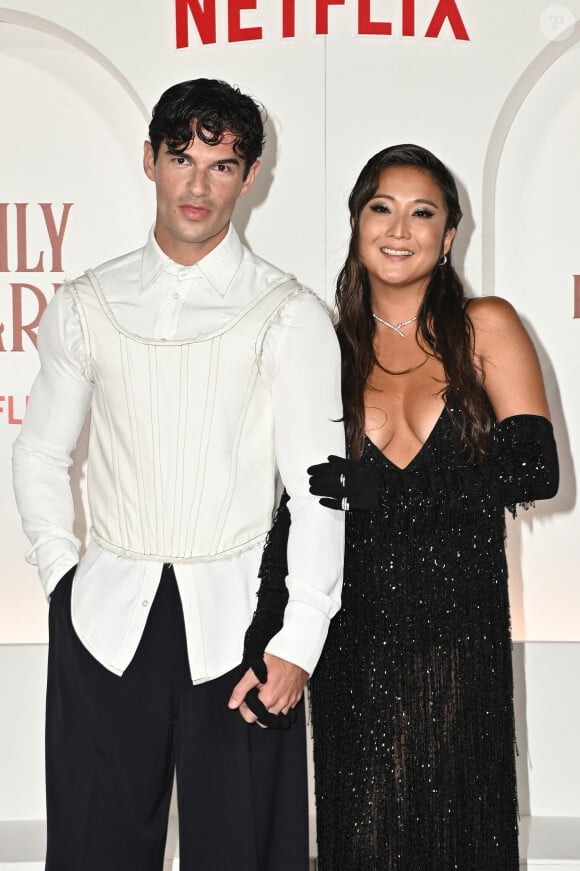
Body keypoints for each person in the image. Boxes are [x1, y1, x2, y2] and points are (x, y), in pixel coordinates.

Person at [12, 78, 344, 871]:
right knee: (93, 852)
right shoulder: (86, 303)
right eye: (181, 159)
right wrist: (63, 578)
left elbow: (319, 488)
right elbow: (38, 453)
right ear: (150, 160)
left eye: (222, 165)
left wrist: (299, 637)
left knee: (244, 855)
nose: (198, 185)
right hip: (102, 625)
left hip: (244, 633)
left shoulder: (289, 312)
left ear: (251, 176)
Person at [252, 144, 559, 870]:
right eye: (381, 208)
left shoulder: (486, 325)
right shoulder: (325, 347)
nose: (400, 228)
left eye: (423, 212)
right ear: (357, 224)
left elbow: (535, 468)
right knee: (362, 842)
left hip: (460, 640)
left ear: (449, 235)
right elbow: (295, 509)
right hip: (356, 641)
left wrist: (395, 490)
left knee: (463, 839)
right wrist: (268, 633)